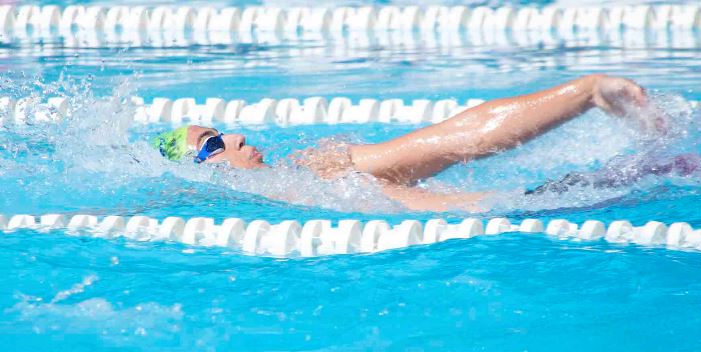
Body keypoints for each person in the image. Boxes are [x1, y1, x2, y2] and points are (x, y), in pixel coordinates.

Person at [152, 74, 658, 211]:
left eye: (222, 131)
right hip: (527, 212)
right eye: (214, 144)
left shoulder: (306, 175)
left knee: (447, 145)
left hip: (533, 210)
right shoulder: (281, 190)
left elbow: (451, 139)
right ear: (202, 171)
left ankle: (587, 91)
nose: (237, 136)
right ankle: (589, 94)